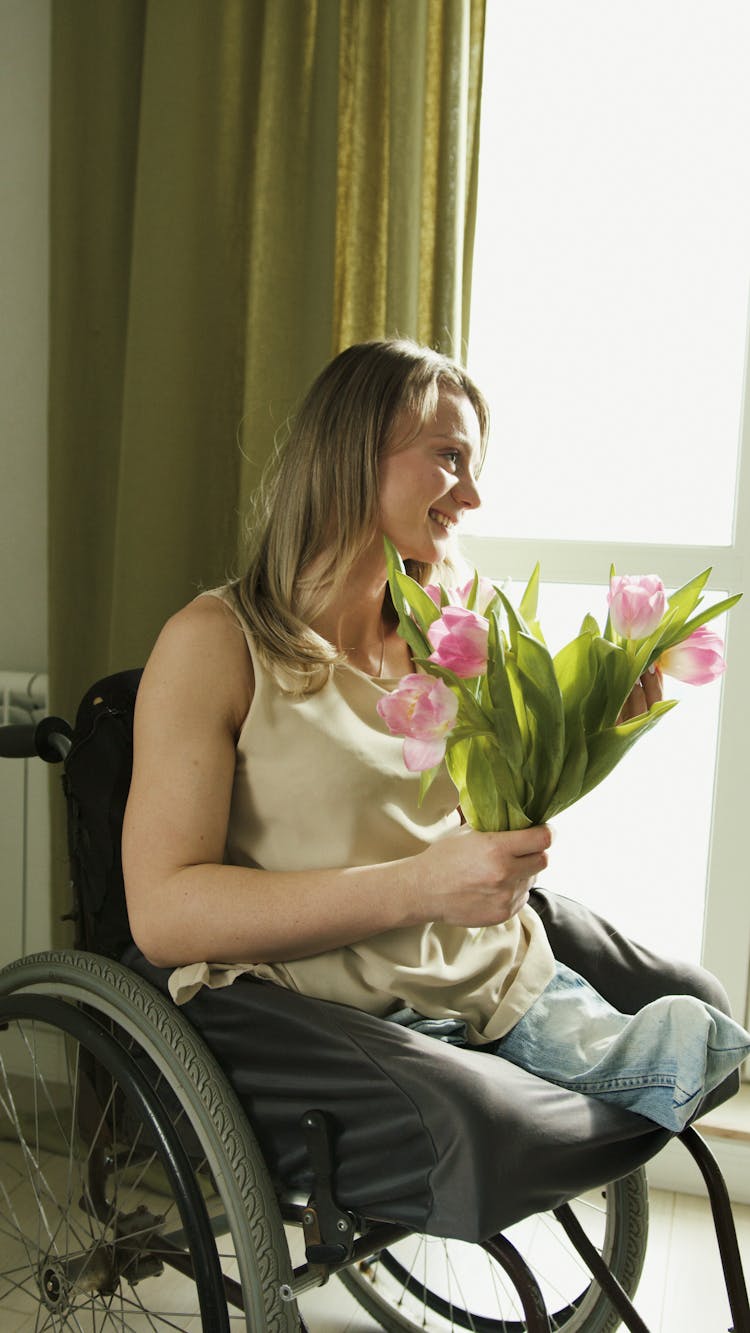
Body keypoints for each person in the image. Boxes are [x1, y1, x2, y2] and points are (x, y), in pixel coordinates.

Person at [121, 337, 748, 1241]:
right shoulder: (216, 644)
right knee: (500, 1123)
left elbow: (478, 828)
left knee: (705, 1011)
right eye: (448, 457)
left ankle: (566, 1058)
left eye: (474, 464)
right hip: (331, 1004)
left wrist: (588, 735)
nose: (473, 493)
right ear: (350, 451)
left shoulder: (451, 628)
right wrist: (421, 885)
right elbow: (164, 914)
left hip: (480, 963)